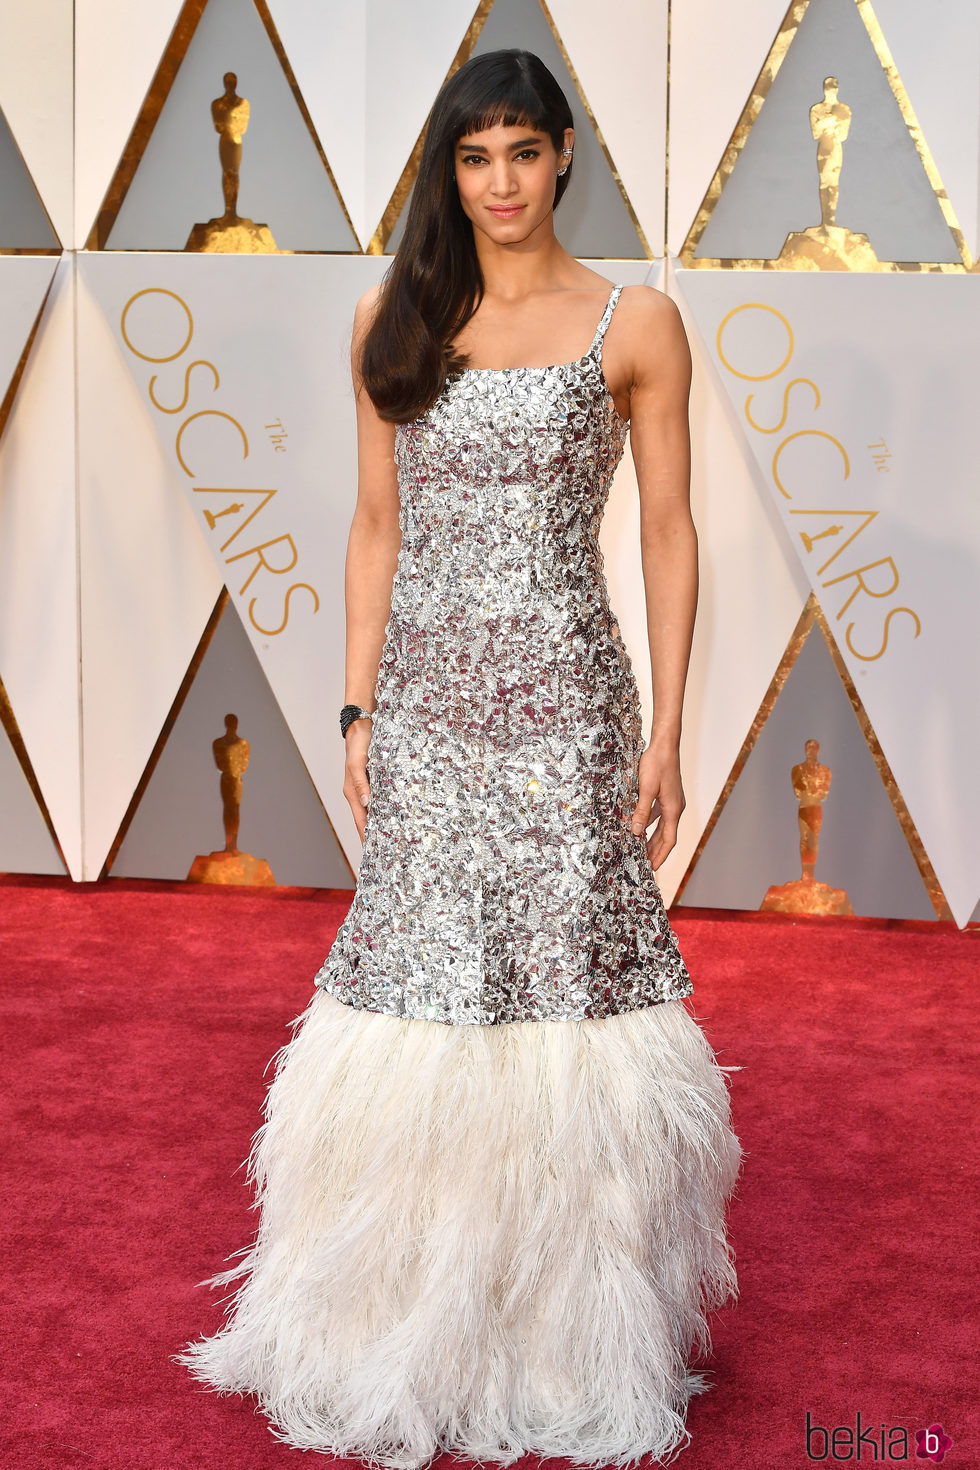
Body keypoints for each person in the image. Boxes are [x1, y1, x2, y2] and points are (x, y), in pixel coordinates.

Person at [177, 48, 742, 1469]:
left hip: (568, 706)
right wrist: (359, 708)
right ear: (450, 168)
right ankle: (397, 1316)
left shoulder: (638, 322)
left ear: (566, 159)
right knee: (420, 988)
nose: (500, 181)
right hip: (426, 708)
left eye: (523, 152)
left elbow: (670, 534)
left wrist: (671, 725)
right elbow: (375, 526)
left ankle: (568, 1334)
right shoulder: (397, 315)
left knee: (565, 999)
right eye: (473, 155)